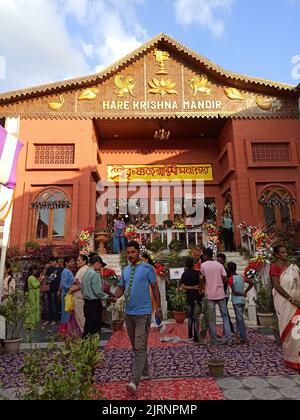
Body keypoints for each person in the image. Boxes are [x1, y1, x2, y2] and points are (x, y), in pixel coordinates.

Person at [114, 241, 162, 396]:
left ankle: (134, 381)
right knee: (137, 347)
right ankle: (145, 371)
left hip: (143, 314)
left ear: (138, 253)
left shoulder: (148, 268)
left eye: (133, 252)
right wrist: (111, 295)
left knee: (140, 347)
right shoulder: (125, 270)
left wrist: (158, 309)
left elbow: (155, 288)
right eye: (128, 253)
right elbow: (121, 289)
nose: (130, 255)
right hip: (129, 314)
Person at [270, 245, 300, 371]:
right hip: (285, 303)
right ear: (277, 255)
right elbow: (276, 285)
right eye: (282, 252)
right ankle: (291, 359)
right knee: (289, 330)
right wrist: (291, 299)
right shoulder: (275, 267)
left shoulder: (293, 268)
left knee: (298, 330)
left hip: (297, 304)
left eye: (286, 251)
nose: (285, 254)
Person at [200, 247, 233, 345]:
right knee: (225, 316)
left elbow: (202, 278)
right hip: (220, 293)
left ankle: (214, 339)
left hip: (209, 294)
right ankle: (229, 338)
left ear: (206, 255)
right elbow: (226, 278)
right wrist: (219, 282)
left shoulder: (203, 265)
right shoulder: (219, 265)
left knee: (212, 318)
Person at [81, 255, 112, 337]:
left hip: (87, 303)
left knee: (88, 327)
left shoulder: (86, 273)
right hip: (94, 303)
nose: (101, 268)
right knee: (95, 328)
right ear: (97, 263)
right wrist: (108, 297)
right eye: (101, 265)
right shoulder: (95, 274)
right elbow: (98, 291)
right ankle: (93, 347)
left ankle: (86, 347)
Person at [227, 262, 253, 345]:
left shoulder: (231, 279)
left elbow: (234, 292)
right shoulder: (241, 277)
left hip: (236, 301)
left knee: (240, 320)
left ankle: (244, 338)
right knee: (239, 319)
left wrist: (242, 293)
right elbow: (251, 283)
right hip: (242, 301)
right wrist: (245, 291)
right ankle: (239, 336)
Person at [180, 258, 203, 342]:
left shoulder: (184, 274)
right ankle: (196, 336)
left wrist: (190, 287)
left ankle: (190, 335)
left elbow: (182, 286)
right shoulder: (197, 272)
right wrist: (199, 286)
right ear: (193, 264)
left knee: (190, 317)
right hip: (197, 296)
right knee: (196, 316)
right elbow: (201, 278)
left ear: (186, 265)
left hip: (189, 296)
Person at [67, 254, 89, 336]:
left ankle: (84, 336)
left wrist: (70, 291)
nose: (77, 262)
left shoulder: (83, 270)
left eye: (79, 260)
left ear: (84, 261)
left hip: (79, 297)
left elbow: (79, 285)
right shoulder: (85, 269)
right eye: (77, 260)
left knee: (81, 317)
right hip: (81, 297)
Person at [216, 253, 235, 334]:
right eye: (218, 260)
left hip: (225, 293)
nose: (219, 262)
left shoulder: (226, 270)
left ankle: (228, 329)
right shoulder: (217, 269)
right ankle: (229, 328)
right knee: (224, 311)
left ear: (224, 261)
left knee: (224, 312)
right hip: (218, 292)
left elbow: (228, 281)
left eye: (221, 261)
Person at [42, 257, 63, 327]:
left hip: (55, 289)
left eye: (51, 263)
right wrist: (45, 268)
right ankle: (48, 319)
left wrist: (59, 290)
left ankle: (54, 320)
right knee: (47, 305)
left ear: (55, 262)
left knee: (54, 305)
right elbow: (44, 276)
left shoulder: (60, 269)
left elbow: (61, 280)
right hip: (48, 289)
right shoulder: (49, 269)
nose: (50, 264)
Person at [58, 256, 75, 336]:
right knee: (66, 313)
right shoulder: (65, 271)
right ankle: (64, 331)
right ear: (67, 263)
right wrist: (73, 288)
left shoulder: (69, 271)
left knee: (68, 313)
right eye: (71, 261)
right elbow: (63, 284)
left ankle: (67, 330)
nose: (73, 263)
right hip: (66, 294)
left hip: (69, 294)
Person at [141, 253, 158, 322]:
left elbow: (154, 281)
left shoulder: (151, 268)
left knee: (151, 303)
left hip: (150, 288)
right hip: (144, 288)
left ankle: (152, 319)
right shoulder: (142, 268)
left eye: (142, 260)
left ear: (147, 260)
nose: (141, 262)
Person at [24, 265, 42, 330]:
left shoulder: (30, 277)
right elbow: (35, 285)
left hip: (32, 295)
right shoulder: (31, 277)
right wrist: (40, 280)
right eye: (36, 270)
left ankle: (29, 324)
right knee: (33, 309)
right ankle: (31, 324)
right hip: (33, 295)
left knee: (31, 309)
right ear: (33, 270)